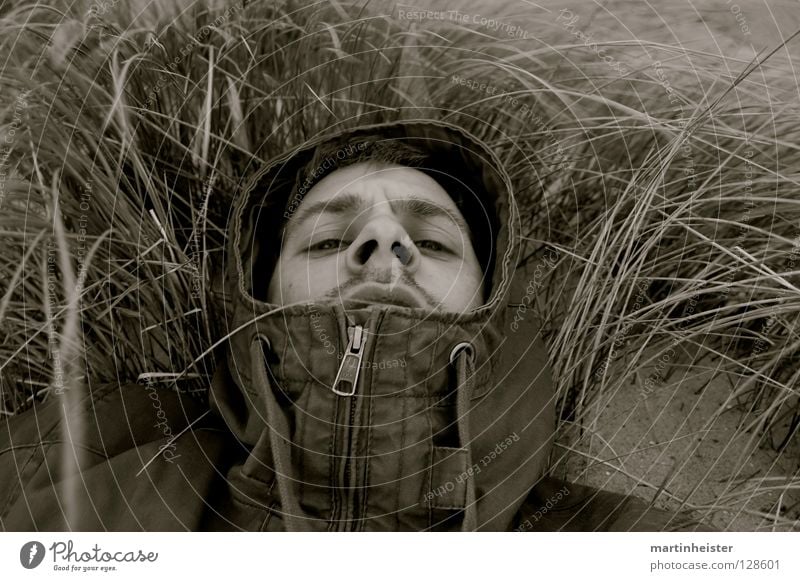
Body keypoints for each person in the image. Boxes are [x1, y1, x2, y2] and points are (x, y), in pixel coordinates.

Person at [0, 120, 708, 531]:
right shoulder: (68, 453)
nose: (383, 242)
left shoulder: (649, 546)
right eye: (323, 240)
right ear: (259, 290)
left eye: (431, 243)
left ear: (493, 301)